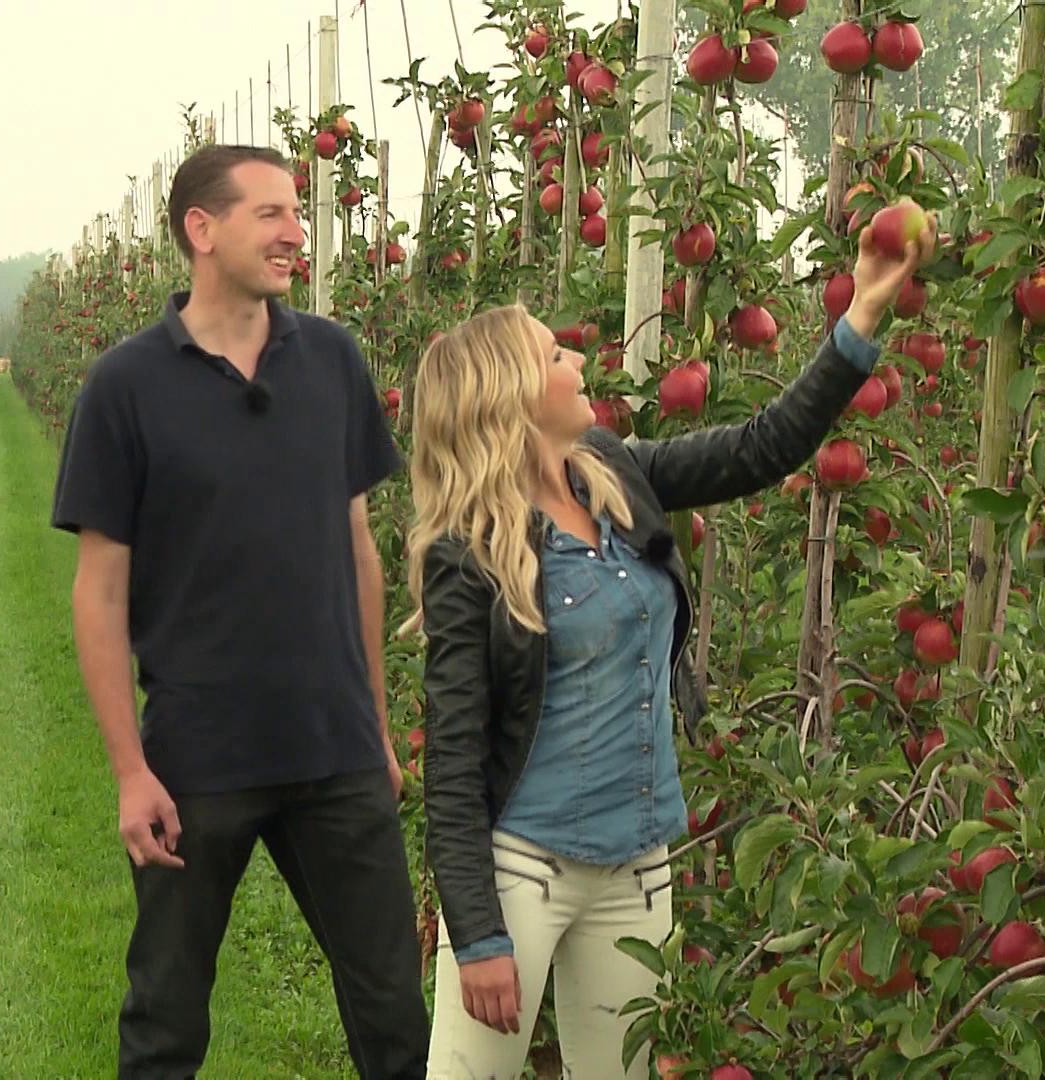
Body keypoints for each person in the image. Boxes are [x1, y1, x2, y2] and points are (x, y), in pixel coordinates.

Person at [403, 211, 935, 1077]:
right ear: (510, 396)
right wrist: (477, 934)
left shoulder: (613, 473)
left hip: (636, 868)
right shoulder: (472, 554)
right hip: (521, 875)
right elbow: (454, 761)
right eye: (554, 355)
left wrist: (863, 313)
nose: (578, 362)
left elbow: (761, 449)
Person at [51, 144, 431, 1079]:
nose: (297, 233)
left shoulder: (332, 360)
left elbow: (359, 550)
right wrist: (130, 772)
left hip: (336, 750)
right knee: (165, 1022)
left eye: (297, 213)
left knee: (394, 1018)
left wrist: (377, 728)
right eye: (272, 214)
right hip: (197, 759)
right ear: (202, 229)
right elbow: (99, 591)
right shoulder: (126, 386)